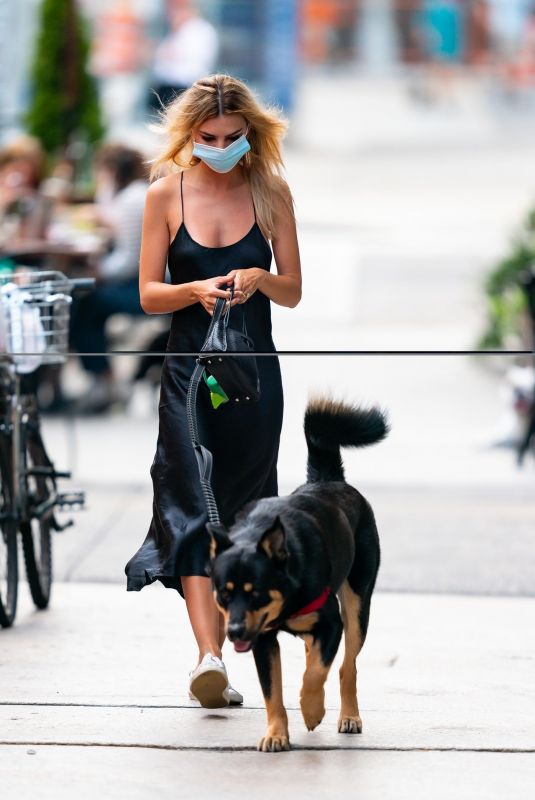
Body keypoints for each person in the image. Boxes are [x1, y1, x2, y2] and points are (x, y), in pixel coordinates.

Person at [124, 73, 302, 707]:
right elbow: (149, 294)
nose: (222, 146)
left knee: (251, 512)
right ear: (189, 136)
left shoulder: (271, 192)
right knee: (190, 506)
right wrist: (194, 291)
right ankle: (209, 658)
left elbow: (293, 290)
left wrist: (261, 274)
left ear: (251, 135)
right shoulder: (163, 195)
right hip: (187, 378)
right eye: (209, 137)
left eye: (233, 136)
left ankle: (236, 638)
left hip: (253, 377)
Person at [69, 143, 149, 413]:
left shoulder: (131, 200)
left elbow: (129, 261)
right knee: (88, 302)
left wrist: (97, 273)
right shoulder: (136, 193)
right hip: (145, 282)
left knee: (84, 303)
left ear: (112, 170)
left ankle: (105, 380)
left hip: (143, 288)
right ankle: (105, 379)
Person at [147, 0, 219, 113]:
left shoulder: (201, 31)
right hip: (166, 91)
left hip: (184, 90)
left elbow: (192, 65)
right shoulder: (174, 32)